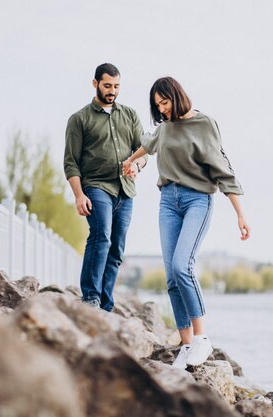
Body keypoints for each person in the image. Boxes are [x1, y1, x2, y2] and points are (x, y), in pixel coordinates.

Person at [123, 76, 250, 368]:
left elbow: (223, 169)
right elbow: (149, 145)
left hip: (197, 201)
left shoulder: (204, 124)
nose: (163, 110)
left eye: (165, 102)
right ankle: (187, 344)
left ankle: (202, 339)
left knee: (183, 265)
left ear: (176, 96)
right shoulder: (164, 127)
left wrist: (240, 214)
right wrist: (131, 161)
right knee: (170, 275)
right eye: (158, 106)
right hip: (168, 201)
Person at [64, 63, 147, 312]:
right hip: (96, 187)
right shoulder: (79, 119)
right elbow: (71, 162)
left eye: (116, 86)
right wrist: (79, 195)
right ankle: (90, 297)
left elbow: (143, 152)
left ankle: (106, 303)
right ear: (95, 84)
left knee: (117, 247)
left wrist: (137, 165)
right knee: (101, 237)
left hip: (126, 190)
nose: (112, 91)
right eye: (107, 86)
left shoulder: (130, 115)